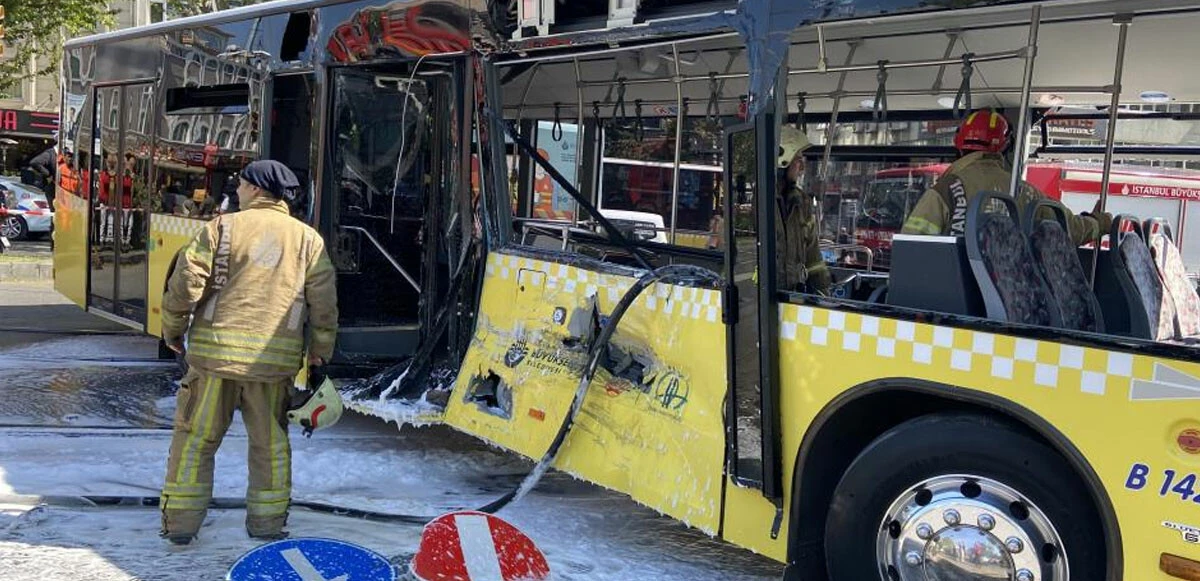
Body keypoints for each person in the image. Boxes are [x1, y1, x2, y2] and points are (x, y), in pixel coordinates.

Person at [159, 160, 338, 545]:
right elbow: (323, 305)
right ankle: (267, 525)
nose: (236, 190)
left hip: (212, 360)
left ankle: (181, 526)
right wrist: (319, 352)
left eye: (241, 184)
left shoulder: (221, 229)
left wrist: (173, 332)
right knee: (269, 446)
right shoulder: (309, 240)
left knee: (195, 441)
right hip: (272, 366)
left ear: (257, 189)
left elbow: (185, 284)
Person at [902, 109, 1111, 244]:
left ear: (958, 144)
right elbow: (1071, 230)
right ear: (1005, 147)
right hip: (1009, 299)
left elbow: (910, 248)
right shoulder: (1027, 193)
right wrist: (1099, 222)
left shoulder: (945, 189)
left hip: (948, 300)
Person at [776, 125, 831, 294]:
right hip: (758, 303)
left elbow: (813, 256)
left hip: (793, 300)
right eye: (799, 161)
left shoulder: (802, 204)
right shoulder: (759, 204)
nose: (802, 169)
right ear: (782, 160)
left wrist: (824, 295)